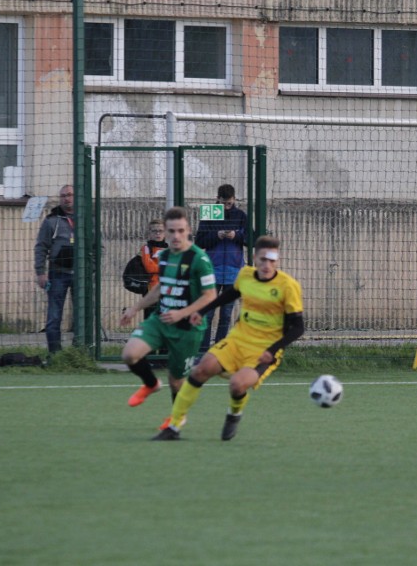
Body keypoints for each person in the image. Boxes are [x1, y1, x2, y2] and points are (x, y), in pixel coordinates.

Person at [153, 235, 305, 442]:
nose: (267, 265)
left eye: (272, 260)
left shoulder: (288, 286)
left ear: (278, 260)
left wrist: (273, 349)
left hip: (263, 350)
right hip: (237, 340)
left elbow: (298, 328)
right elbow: (229, 295)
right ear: (254, 258)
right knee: (200, 370)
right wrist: (203, 310)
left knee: (237, 384)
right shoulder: (245, 275)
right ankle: (174, 426)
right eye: (263, 259)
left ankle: (234, 414)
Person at [119, 207, 217, 420]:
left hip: (187, 328)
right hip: (161, 319)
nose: (176, 236)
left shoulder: (199, 259)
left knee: (176, 381)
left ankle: (176, 419)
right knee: (129, 354)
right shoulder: (164, 256)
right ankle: (151, 384)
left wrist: (182, 313)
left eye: (180, 231)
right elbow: (160, 287)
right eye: (171, 231)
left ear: (188, 230)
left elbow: (210, 295)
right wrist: (135, 308)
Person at [194, 183, 248, 353]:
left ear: (234, 200)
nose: (226, 207)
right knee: (208, 313)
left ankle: (219, 351)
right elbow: (199, 242)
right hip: (213, 271)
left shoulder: (240, 215)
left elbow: (251, 238)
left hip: (233, 271)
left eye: (229, 204)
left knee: (226, 314)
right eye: (223, 203)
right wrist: (216, 235)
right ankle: (203, 351)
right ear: (218, 199)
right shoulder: (210, 213)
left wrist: (236, 235)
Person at [34, 184, 75, 355]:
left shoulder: (88, 218)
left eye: (70, 195)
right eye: (63, 195)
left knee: (83, 317)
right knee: (54, 316)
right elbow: (41, 247)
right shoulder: (51, 220)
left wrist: (92, 268)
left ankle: (79, 352)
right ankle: (55, 354)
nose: (67, 198)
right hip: (57, 273)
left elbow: (98, 246)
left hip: (81, 275)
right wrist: (41, 272)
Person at [140, 218, 168, 321]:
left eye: (160, 231)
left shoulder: (169, 248)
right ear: (149, 233)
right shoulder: (146, 248)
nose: (158, 234)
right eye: (154, 231)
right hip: (151, 288)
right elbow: (149, 267)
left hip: (167, 289)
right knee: (150, 318)